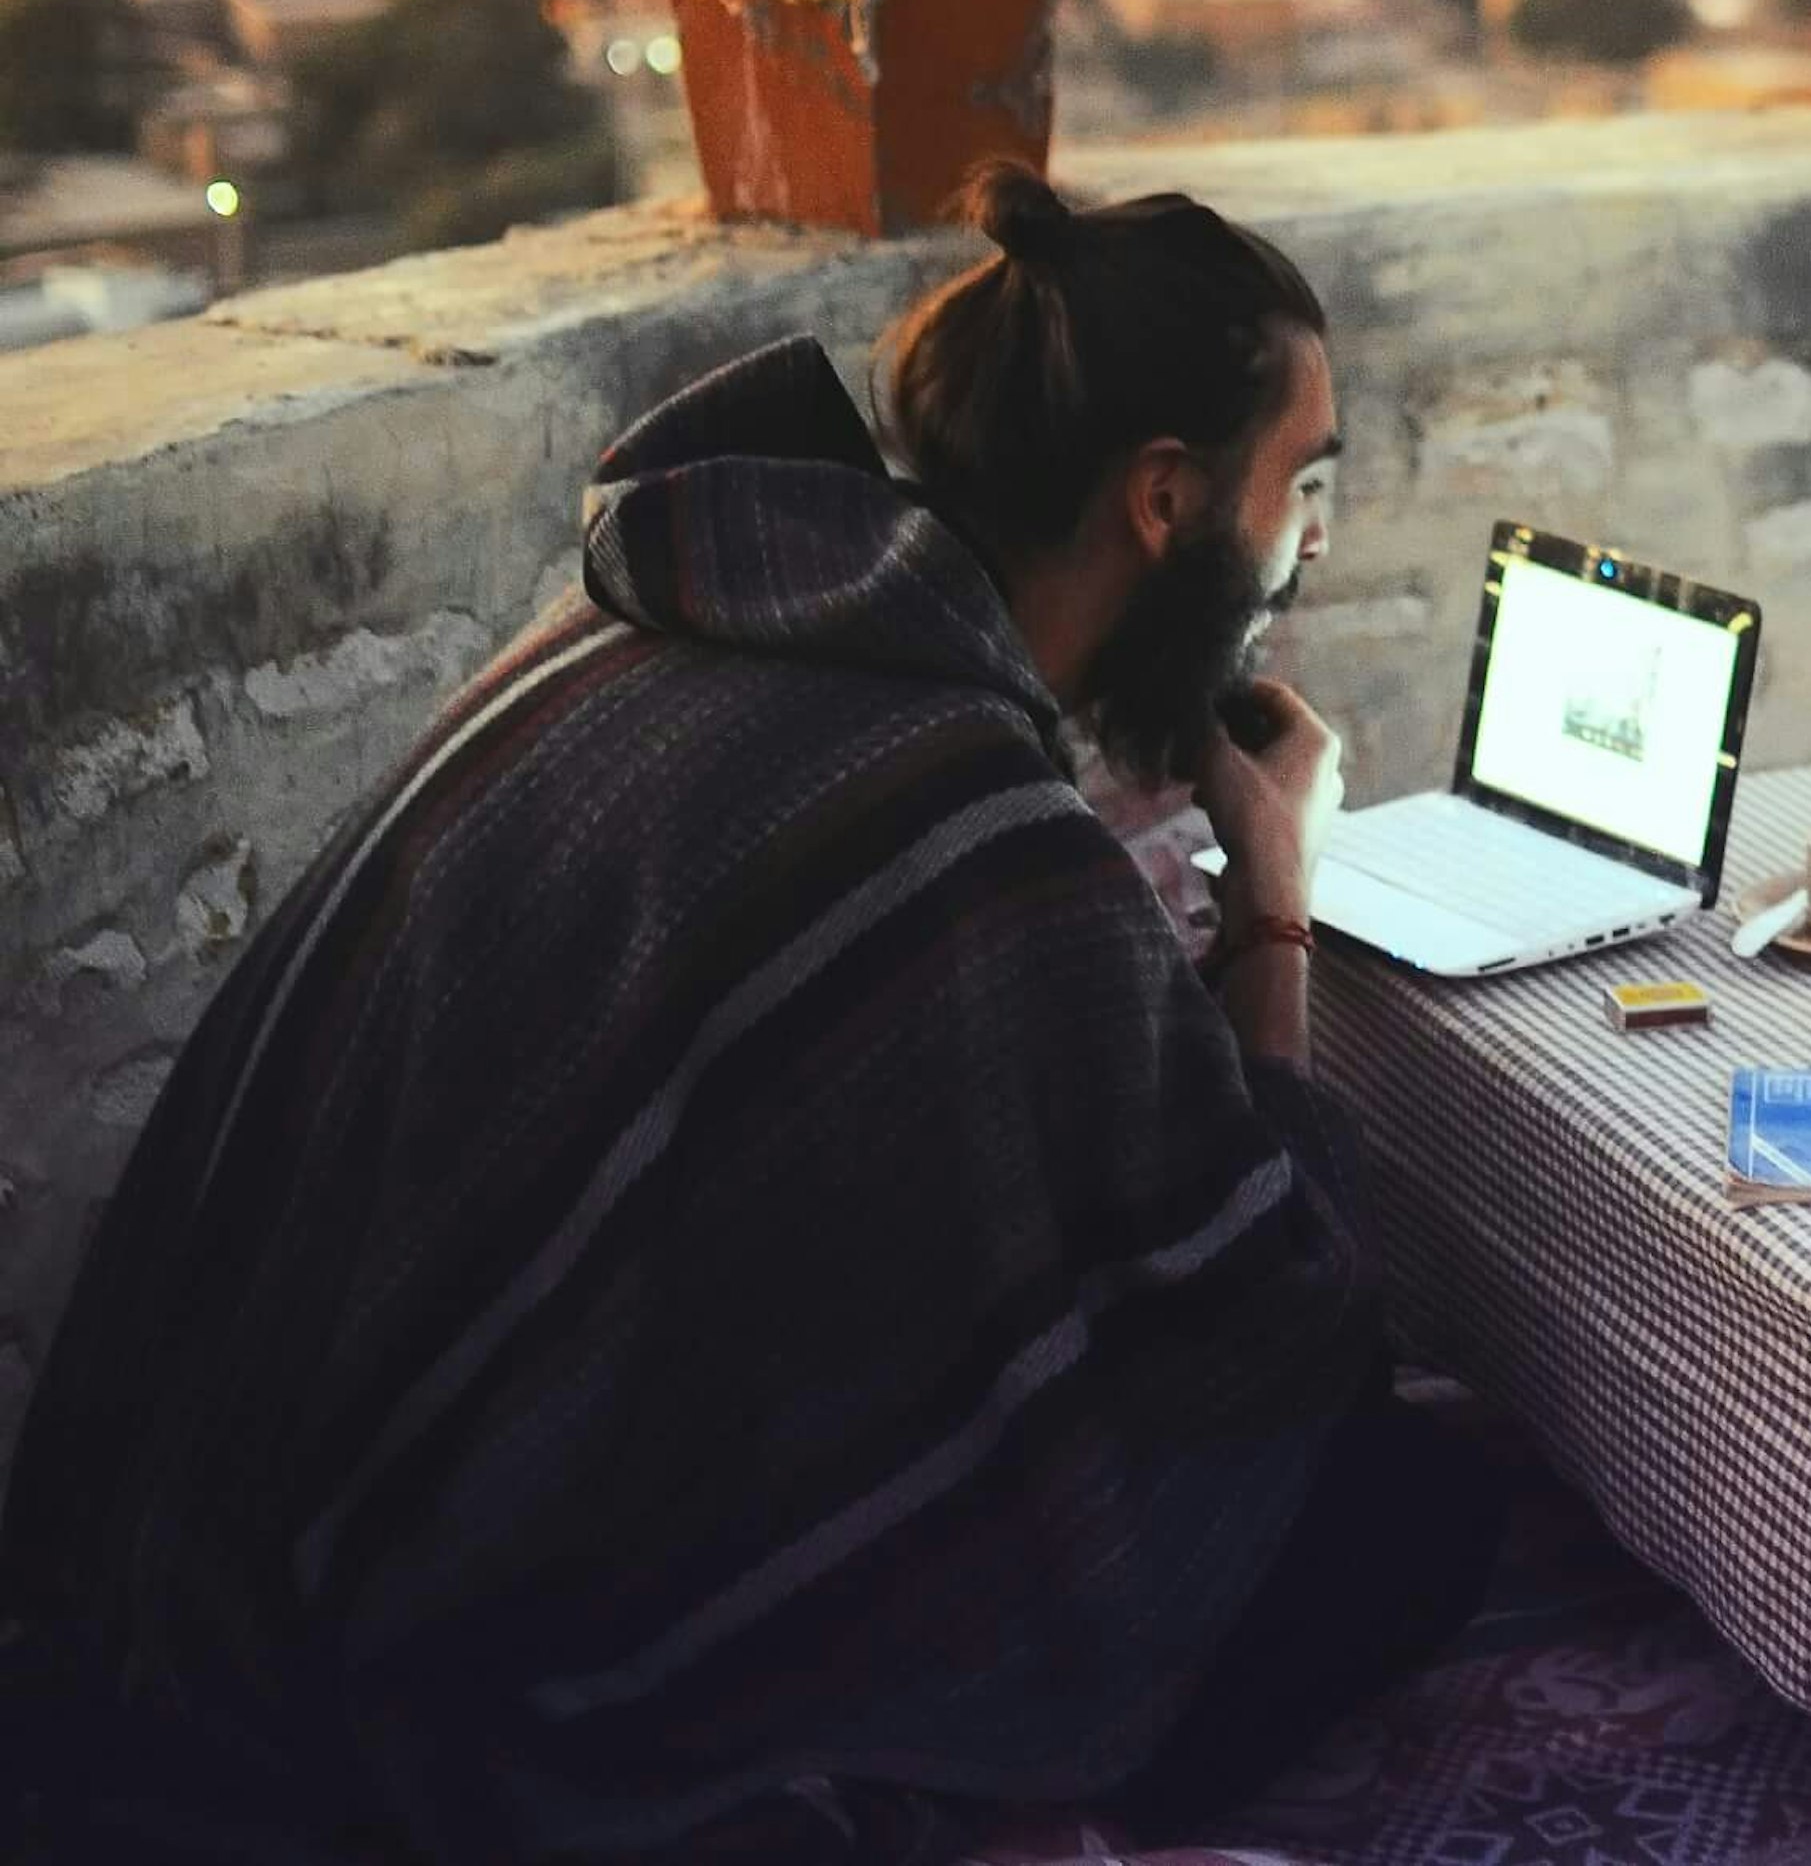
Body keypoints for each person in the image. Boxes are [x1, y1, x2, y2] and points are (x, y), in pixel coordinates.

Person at [0, 166, 1497, 1863]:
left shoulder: (677, 604)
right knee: (1409, 1508)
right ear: (1166, 500)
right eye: (1303, 488)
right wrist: (1273, 885)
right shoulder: (976, 838)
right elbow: (1283, 1324)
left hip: (179, 1577)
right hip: (414, 1724)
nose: (1310, 546)